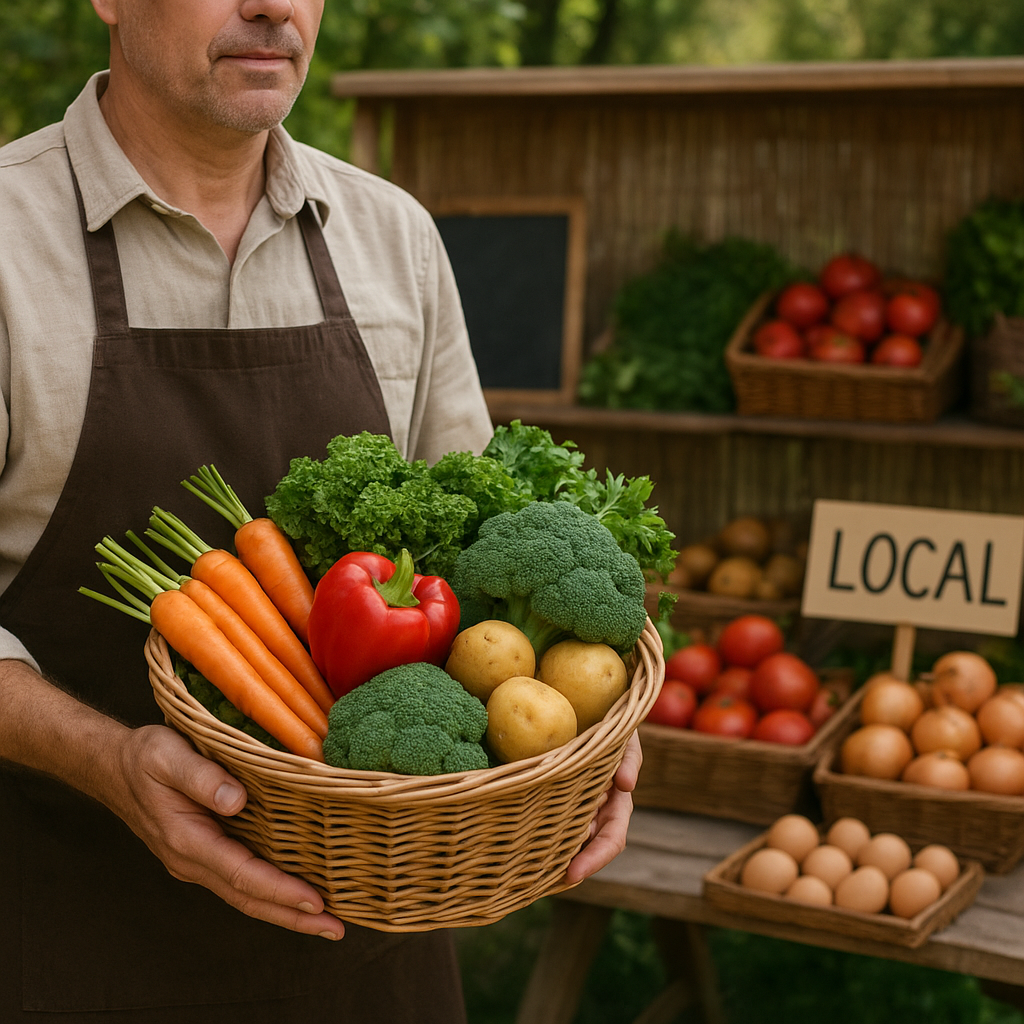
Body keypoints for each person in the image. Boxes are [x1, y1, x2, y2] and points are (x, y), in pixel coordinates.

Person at [0, 0, 643, 1020]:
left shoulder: (394, 238)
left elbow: (486, 556)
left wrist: (583, 735)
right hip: (69, 926)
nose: (271, 5)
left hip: (372, 949)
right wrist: (109, 760)